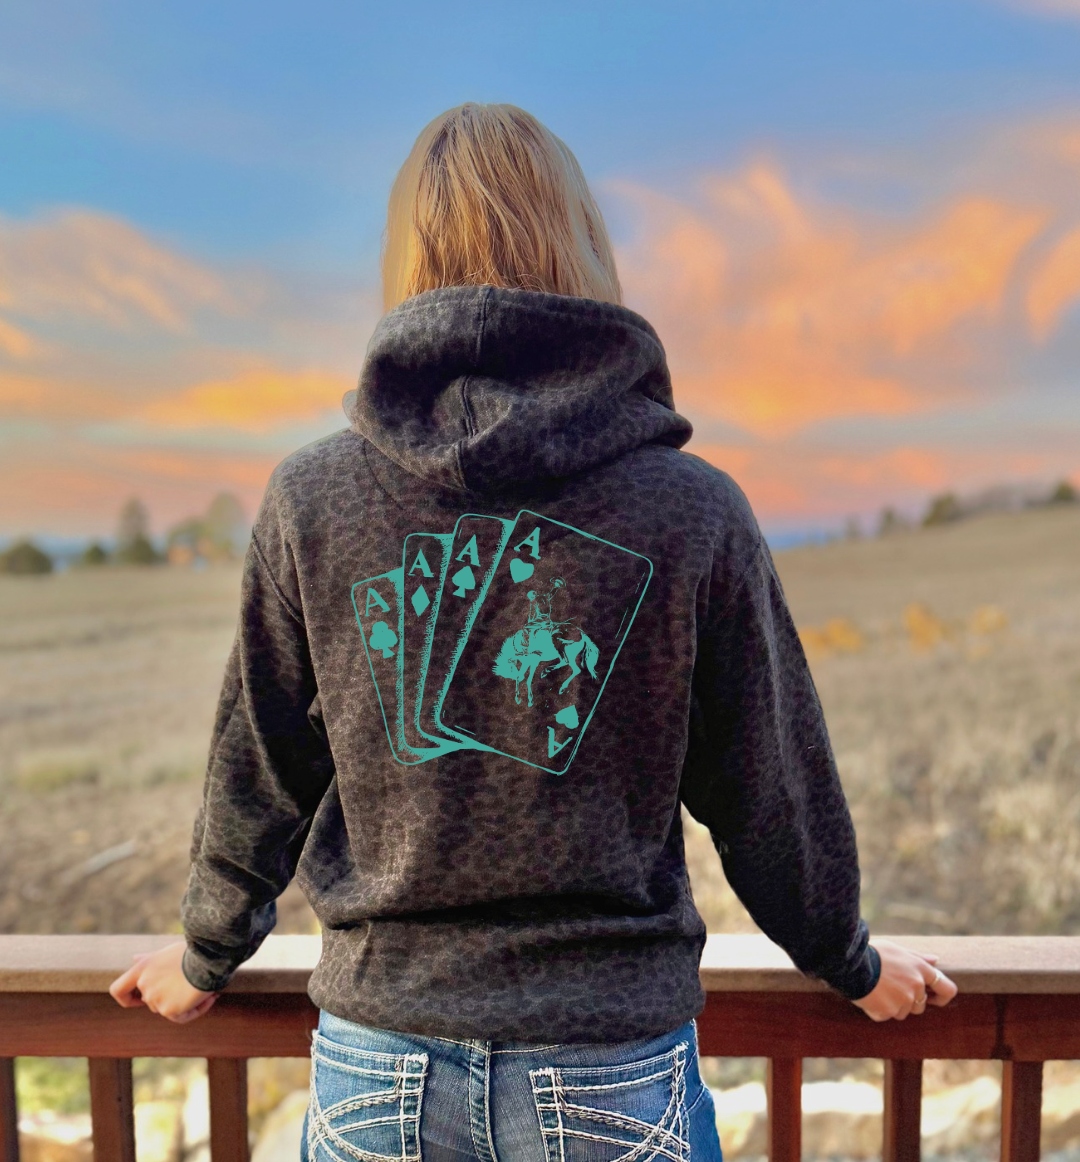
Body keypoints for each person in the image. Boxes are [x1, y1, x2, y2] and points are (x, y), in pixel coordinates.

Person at [109, 102, 958, 1160]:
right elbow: (768, 784)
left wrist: (204, 955)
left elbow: (262, 762)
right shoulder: (688, 509)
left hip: (382, 1059)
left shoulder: (309, 501)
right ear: (585, 251)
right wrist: (849, 958)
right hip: (605, 1059)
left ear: (400, 261)